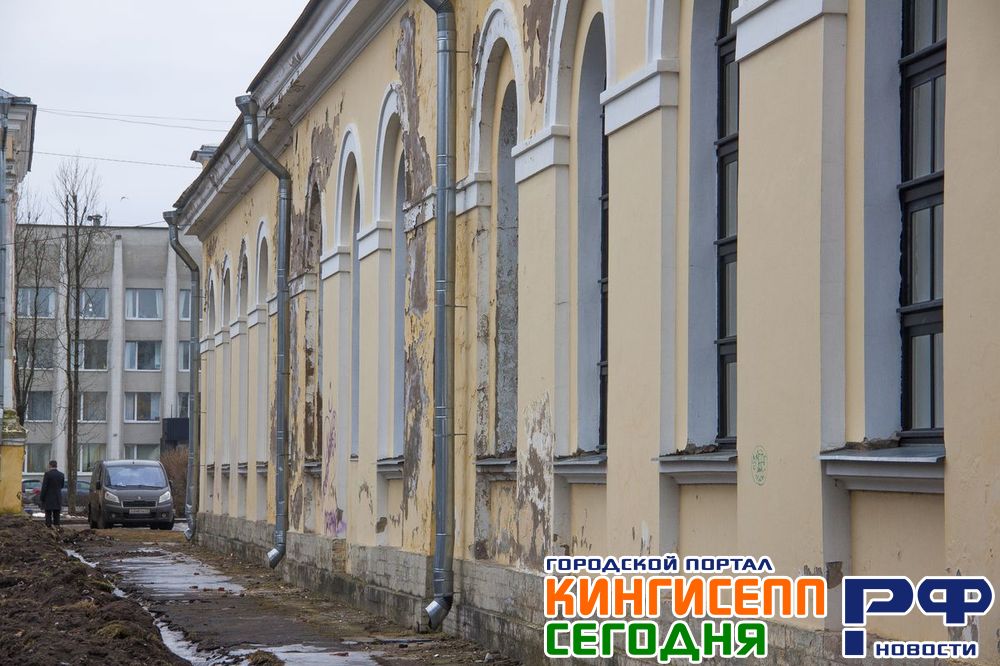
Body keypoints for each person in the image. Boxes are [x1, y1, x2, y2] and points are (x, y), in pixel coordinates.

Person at [38, 460, 64, 528]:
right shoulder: (61, 474)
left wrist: (41, 498)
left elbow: (44, 487)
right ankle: (57, 529)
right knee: (57, 516)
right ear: (56, 465)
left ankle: (49, 528)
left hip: (48, 498)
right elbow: (62, 486)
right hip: (58, 498)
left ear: (50, 465)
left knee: (48, 515)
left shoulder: (47, 474)